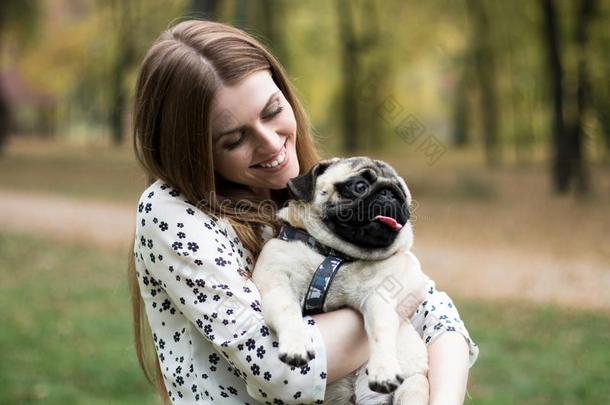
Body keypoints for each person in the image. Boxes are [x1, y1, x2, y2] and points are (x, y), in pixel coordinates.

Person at [128, 20, 478, 405]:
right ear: (191, 152)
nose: (270, 142)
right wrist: (392, 304)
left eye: (273, 109)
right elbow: (282, 372)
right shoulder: (172, 214)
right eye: (235, 139)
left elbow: (439, 320)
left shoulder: (318, 195)